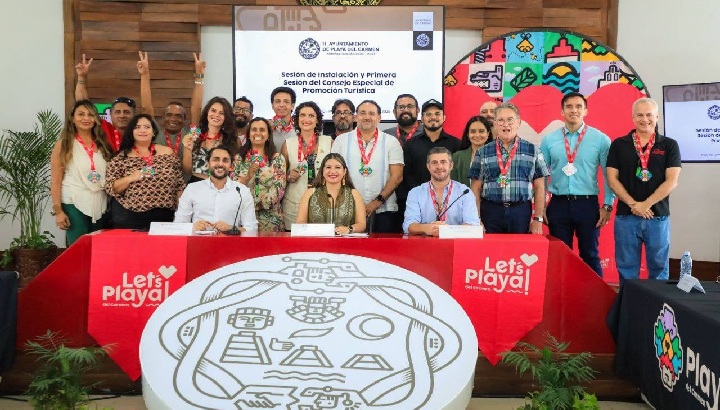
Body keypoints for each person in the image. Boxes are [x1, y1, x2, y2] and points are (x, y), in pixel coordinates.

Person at [540, 92, 615, 277]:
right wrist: (540, 207)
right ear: (562, 111)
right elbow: (541, 176)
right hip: (558, 205)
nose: (574, 110)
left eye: (579, 106)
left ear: (586, 111)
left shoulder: (600, 139)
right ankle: (562, 294)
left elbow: (609, 175)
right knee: (560, 256)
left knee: (590, 255)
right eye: (569, 106)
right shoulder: (549, 140)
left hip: (587, 205)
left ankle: (596, 295)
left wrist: (607, 205)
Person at [607, 97, 681, 282]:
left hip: (657, 217)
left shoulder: (669, 145)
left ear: (657, 117)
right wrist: (634, 204)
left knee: (659, 269)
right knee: (626, 268)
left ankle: (657, 302)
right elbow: (612, 179)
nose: (644, 119)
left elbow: (672, 181)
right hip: (626, 216)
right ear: (633, 118)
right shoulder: (619, 144)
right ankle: (629, 301)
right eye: (639, 115)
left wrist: (645, 205)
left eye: (649, 115)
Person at [469, 102, 549, 234]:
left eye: (510, 120)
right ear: (495, 124)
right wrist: (476, 219)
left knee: (518, 246)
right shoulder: (482, 152)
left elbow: (540, 186)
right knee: (489, 247)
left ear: (518, 122)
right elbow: (475, 188)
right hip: (490, 211)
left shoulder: (533, 150)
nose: (505, 124)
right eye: (500, 120)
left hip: (520, 212)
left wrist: (538, 218)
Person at [331, 100, 404, 233]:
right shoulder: (341, 141)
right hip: (348, 209)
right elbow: (333, 174)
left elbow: (397, 176)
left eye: (371, 113)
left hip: (384, 210)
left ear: (379, 118)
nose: (367, 117)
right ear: (355, 117)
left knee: (382, 246)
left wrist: (377, 202)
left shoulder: (391, 142)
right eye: (362, 113)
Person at [50, 100, 114, 246]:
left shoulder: (103, 143)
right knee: (78, 248)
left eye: (90, 115)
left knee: (96, 248)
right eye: (81, 114)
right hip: (73, 202)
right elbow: (56, 180)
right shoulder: (64, 144)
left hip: (100, 202)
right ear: (72, 118)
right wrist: (58, 211)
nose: (86, 118)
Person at [105, 114, 185, 230]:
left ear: (153, 132)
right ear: (131, 132)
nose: (142, 130)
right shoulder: (121, 158)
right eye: (137, 127)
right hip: (131, 217)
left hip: (165, 216)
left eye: (147, 127)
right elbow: (110, 188)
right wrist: (130, 178)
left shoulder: (168, 153)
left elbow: (179, 184)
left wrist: (181, 214)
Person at [176, 146, 258, 233]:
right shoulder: (192, 189)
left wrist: (231, 228)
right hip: (198, 241)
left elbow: (252, 228)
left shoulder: (242, 191)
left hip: (230, 241)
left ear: (231, 166)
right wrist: (193, 226)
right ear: (208, 164)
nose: (220, 164)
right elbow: (178, 224)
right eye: (216, 159)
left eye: (225, 161)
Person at [137, 51, 203, 159]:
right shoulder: (154, 132)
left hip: (186, 171)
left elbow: (197, 108)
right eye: (169, 115)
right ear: (163, 117)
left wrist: (199, 76)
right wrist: (144, 74)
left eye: (178, 116)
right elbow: (146, 107)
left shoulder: (190, 133)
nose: (173, 119)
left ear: (185, 120)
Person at [404, 147, 480, 236]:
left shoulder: (465, 192)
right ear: (428, 166)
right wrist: (428, 228)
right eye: (434, 162)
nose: (439, 167)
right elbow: (408, 225)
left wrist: (447, 231)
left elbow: (473, 225)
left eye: (443, 162)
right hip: (425, 242)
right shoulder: (415, 193)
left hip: (456, 242)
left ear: (451, 165)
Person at [281, 101, 333, 230]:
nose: (306, 119)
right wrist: (288, 176)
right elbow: (280, 176)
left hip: (323, 204)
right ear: (297, 119)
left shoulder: (329, 142)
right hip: (294, 205)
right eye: (302, 115)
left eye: (311, 115)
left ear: (317, 120)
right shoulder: (288, 144)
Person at [74, 54, 135, 153]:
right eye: (117, 112)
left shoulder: (140, 133)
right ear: (110, 114)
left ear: (134, 115)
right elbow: (83, 104)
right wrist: (81, 77)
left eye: (126, 112)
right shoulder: (104, 128)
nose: (122, 115)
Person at [234, 118, 286, 232]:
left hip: (271, 220)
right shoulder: (239, 159)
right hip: (243, 218)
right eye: (254, 130)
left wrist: (254, 205)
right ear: (248, 135)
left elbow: (279, 190)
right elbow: (233, 189)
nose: (258, 133)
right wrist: (247, 177)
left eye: (262, 130)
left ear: (268, 135)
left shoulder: (277, 159)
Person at [296, 153, 366, 234]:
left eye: (337, 167)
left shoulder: (354, 194)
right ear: (322, 171)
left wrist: (349, 229)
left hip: (345, 240)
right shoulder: (310, 193)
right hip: (316, 240)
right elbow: (300, 223)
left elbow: (362, 224)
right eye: (328, 167)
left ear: (344, 171)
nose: (332, 171)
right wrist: (317, 230)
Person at [181, 96, 238, 182]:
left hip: (219, 185)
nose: (216, 115)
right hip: (195, 184)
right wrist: (187, 148)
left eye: (221, 113)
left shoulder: (229, 140)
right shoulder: (194, 136)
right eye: (213, 110)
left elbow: (232, 171)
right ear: (207, 112)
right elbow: (187, 171)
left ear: (226, 117)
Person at [451, 116, 494, 185]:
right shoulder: (457, 157)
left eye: (481, 131)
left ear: (488, 134)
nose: (477, 135)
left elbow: (502, 181)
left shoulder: (497, 156)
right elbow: (453, 184)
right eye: (473, 131)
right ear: (468, 135)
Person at [270, 86, 297, 153]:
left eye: (286, 101)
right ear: (272, 106)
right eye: (278, 101)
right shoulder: (265, 127)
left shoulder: (301, 128)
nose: (281, 105)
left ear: (292, 106)